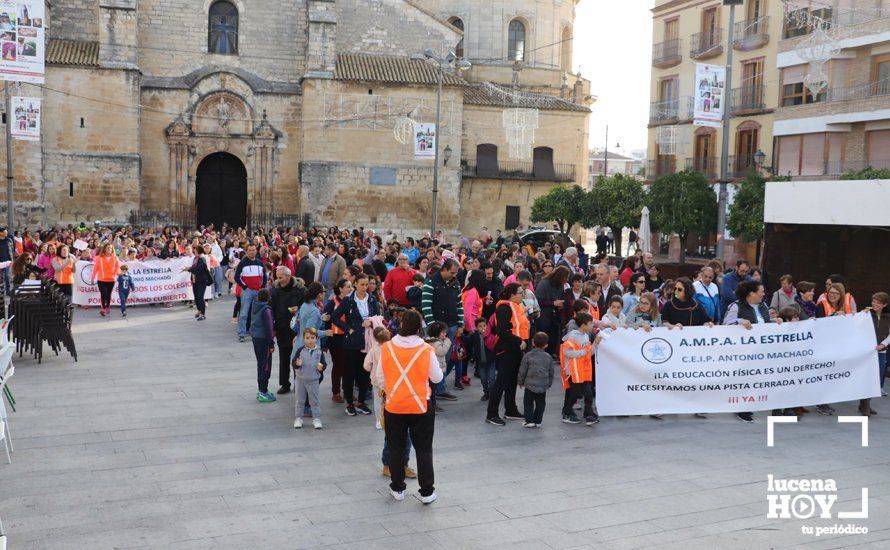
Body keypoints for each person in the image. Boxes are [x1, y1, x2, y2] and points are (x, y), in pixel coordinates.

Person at [377, 309, 442, 504]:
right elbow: (437, 378)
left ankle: (397, 488)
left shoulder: (387, 348)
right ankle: (427, 492)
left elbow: (380, 377)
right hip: (420, 405)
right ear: (419, 327)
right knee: (423, 450)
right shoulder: (425, 350)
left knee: (396, 447)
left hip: (395, 405)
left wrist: (393, 389)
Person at [332, 272, 380, 416]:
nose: (365, 287)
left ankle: (361, 402)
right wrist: (348, 329)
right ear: (356, 285)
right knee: (349, 373)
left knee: (364, 372)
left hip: (368, 341)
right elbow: (335, 317)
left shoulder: (372, 299)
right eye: (362, 284)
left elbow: (378, 317)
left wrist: (371, 322)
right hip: (352, 342)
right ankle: (350, 403)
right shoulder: (348, 300)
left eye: (367, 284)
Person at [486, 284, 530, 426]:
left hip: (516, 349)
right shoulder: (504, 309)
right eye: (520, 293)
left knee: (512, 381)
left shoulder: (516, 307)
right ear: (512, 294)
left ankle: (510, 409)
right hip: (506, 350)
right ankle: (491, 414)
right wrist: (519, 341)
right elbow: (502, 331)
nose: (522, 295)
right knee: (501, 382)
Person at [421, 258, 464, 402]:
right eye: (452, 272)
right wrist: (434, 328)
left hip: (451, 325)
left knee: (445, 359)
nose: (454, 275)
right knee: (433, 360)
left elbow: (459, 305)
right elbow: (426, 305)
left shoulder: (455, 283)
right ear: (444, 269)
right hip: (437, 328)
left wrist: (460, 324)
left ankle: (440, 389)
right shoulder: (431, 282)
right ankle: (430, 393)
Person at [270, 266, 305, 394]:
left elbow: (307, 305)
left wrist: (299, 309)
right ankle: (285, 384)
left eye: (281, 277)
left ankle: (298, 383)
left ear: (288, 276)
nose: (279, 280)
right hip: (282, 328)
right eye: (277, 277)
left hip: (297, 330)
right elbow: (271, 308)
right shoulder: (275, 290)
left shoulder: (300, 290)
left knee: (298, 357)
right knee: (284, 358)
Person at [560, 312, 597, 425]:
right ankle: (567, 412)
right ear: (583, 325)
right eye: (591, 323)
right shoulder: (572, 336)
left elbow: (589, 353)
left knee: (588, 393)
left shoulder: (586, 336)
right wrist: (583, 351)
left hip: (584, 370)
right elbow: (567, 352)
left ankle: (588, 413)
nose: (593, 326)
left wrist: (595, 344)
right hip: (574, 370)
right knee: (575, 393)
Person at [517, 332, 556, 428]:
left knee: (528, 402)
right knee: (541, 403)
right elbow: (551, 372)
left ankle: (529, 420)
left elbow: (522, 370)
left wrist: (520, 381)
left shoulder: (528, 356)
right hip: (542, 385)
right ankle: (538, 420)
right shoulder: (548, 357)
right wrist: (549, 383)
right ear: (546, 345)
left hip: (530, 385)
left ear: (533, 342)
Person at [324, 278, 352, 404]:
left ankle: (347, 391)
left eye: (351, 286)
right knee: (338, 366)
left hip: (347, 337)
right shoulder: (332, 303)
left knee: (348, 366)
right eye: (348, 287)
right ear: (340, 289)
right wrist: (325, 341)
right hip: (335, 339)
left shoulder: (351, 301)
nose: (350, 289)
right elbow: (325, 321)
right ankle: (336, 393)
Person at [291, 327, 326, 429]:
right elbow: (294, 363)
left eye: (312, 338)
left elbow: (323, 364)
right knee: (299, 400)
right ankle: (298, 418)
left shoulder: (319, 352)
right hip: (300, 380)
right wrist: (297, 364)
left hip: (314, 380)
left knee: (314, 401)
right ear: (303, 339)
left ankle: (316, 419)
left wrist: (321, 368)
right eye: (307, 338)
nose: (310, 340)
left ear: (316, 339)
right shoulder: (300, 350)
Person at [535, 265, 570, 356]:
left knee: (553, 339)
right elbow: (538, 301)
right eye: (565, 277)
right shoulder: (544, 283)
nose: (567, 280)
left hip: (554, 318)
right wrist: (553, 303)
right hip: (543, 317)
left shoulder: (560, 286)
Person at [236, 245, 267, 343]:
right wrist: (245, 287)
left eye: (253, 250)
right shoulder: (242, 263)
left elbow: (264, 276)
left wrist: (262, 287)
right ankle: (241, 333)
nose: (252, 252)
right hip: (247, 291)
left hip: (258, 291)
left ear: (256, 251)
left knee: (257, 313)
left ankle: (254, 332)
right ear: (246, 251)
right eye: (250, 250)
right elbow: (237, 277)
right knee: (244, 313)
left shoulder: (260, 263)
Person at [250, 288, 277, 403]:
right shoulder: (266, 310)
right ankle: (263, 391)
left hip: (256, 338)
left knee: (260, 364)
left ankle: (261, 389)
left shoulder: (255, 306)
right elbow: (269, 328)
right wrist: (271, 344)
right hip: (264, 340)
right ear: (269, 298)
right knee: (266, 366)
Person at [465, 317, 496, 400]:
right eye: (480, 326)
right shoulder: (474, 335)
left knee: (492, 378)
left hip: (491, 361)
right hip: (481, 362)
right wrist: (461, 335)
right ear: (476, 327)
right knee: (483, 379)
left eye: (484, 326)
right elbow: (467, 341)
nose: (483, 328)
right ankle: (486, 392)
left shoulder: (490, 334)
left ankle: (492, 393)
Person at [868, 292, 890, 401]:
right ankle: (864, 405)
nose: (875, 304)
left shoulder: (887, 317)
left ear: (884, 305)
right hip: (867, 353)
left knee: (877, 378)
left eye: (878, 303)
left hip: (881, 353)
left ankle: (866, 404)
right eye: (873, 301)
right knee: (866, 378)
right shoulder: (866, 314)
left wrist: (883, 344)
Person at [91, 243, 121, 317]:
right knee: (103, 294)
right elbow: (95, 269)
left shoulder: (115, 257)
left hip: (111, 279)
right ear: (104, 249)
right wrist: (92, 278)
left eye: (110, 248)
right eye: (108, 248)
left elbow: (118, 267)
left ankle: (107, 306)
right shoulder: (99, 257)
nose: (109, 249)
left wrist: (118, 274)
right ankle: (103, 308)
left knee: (108, 295)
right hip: (101, 279)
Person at [186, 247, 213, 321]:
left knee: (200, 297)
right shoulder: (195, 258)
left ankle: (203, 314)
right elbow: (193, 267)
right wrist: (189, 268)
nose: (194, 251)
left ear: (198, 251)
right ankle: (199, 310)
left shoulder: (202, 258)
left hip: (201, 280)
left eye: (195, 250)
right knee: (196, 297)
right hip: (195, 280)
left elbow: (199, 270)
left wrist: (189, 269)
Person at [0, 227, 14, 294]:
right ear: (0, 233)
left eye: (6, 232)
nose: (6, 233)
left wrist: (12, 260)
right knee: (1, 277)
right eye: (5, 232)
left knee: (7, 276)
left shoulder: (9, 240)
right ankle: (1, 291)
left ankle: (8, 291)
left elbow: (12, 250)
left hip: (7, 261)